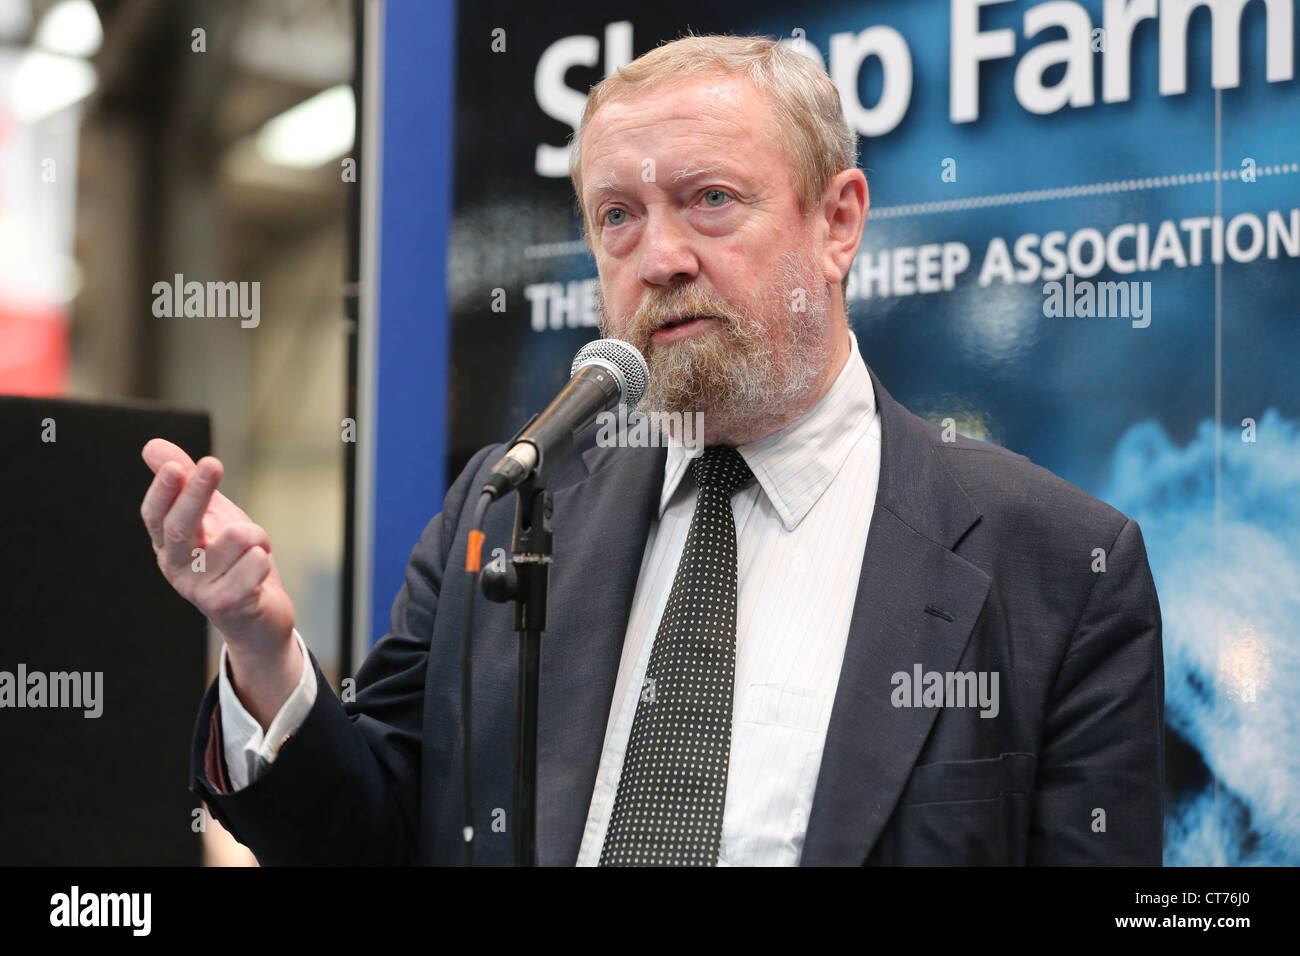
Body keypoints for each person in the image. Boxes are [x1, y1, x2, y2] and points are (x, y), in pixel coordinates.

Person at [139, 34, 1164, 866]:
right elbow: (366, 837)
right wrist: (262, 645)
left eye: (710, 200)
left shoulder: (1056, 565)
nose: (660, 258)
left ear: (838, 221)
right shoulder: (507, 509)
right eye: (617, 218)